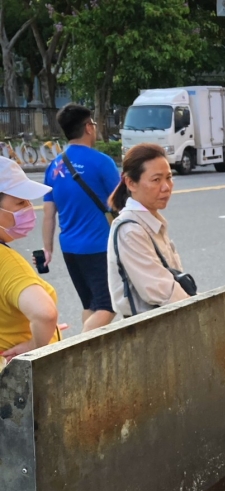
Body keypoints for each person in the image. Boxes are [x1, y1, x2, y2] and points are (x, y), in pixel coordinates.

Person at [42, 103, 121, 332]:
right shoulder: (102, 162)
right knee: (108, 305)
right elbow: (121, 203)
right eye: (94, 124)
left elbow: (49, 215)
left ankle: (91, 353)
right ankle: (80, 352)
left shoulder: (54, 166)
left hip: (69, 248)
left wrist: (47, 249)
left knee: (90, 304)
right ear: (88, 127)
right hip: (97, 247)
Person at [107, 144, 191, 317]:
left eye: (169, 177)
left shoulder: (150, 221)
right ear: (131, 183)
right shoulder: (130, 230)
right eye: (156, 180)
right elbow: (162, 290)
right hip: (150, 328)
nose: (166, 186)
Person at [0, 157, 59, 361]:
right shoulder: (7, 263)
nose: (28, 208)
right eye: (19, 202)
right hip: (17, 381)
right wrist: (36, 343)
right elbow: (45, 314)